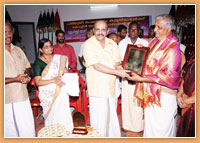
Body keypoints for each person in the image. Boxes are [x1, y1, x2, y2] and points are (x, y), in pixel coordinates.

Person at [127, 14, 182, 137]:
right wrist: (142, 50)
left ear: (169, 29)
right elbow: (149, 61)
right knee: (151, 129)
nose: (155, 29)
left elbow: (168, 76)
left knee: (161, 131)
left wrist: (140, 78)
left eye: (159, 27)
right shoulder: (154, 42)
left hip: (163, 97)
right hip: (152, 94)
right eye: (155, 26)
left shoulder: (173, 48)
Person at [83, 20, 130, 137]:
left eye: (103, 30)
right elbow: (96, 65)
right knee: (98, 118)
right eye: (97, 29)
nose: (100, 32)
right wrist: (117, 72)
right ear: (93, 31)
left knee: (112, 117)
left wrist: (123, 70)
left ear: (107, 31)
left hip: (111, 86)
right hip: (97, 88)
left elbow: (117, 63)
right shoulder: (88, 44)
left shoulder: (113, 44)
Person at [34, 38, 79, 132]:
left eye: (50, 45)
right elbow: (38, 82)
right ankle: (52, 133)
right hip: (48, 92)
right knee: (52, 115)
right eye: (46, 47)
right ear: (41, 50)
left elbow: (65, 72)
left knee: (63, 111)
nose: (50, 48)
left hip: (60, 90)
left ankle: (66, 131)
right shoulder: (38, 62)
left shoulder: (58, 58)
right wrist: (53, 80)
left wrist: (65, 71)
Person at [5, 21, 35, 137]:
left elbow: (27, 67)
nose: (8, 35)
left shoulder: (18, 49)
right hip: (9, 100)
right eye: (4, 32)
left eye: (9, 32)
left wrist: (26, 76)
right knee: (13, 131)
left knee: (28, 128)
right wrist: (16, 79)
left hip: (23, 96)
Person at [118, 21, 148, 136]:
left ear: (139, 31)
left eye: (135, 30)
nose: (133, 32)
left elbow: (146, 61)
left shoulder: (144, 43)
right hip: (126, 77)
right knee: (127, 103)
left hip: (139, 79)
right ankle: (127, 126)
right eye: (131, 30)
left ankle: (139, 126)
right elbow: (120, 60)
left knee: (138, 104)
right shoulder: (122, 43)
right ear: (128, 31)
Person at [176, 56, 195, 137]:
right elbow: (184, 76)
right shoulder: (192, 58)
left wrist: (185, 101)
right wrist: (179, 96)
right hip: (186, 106)